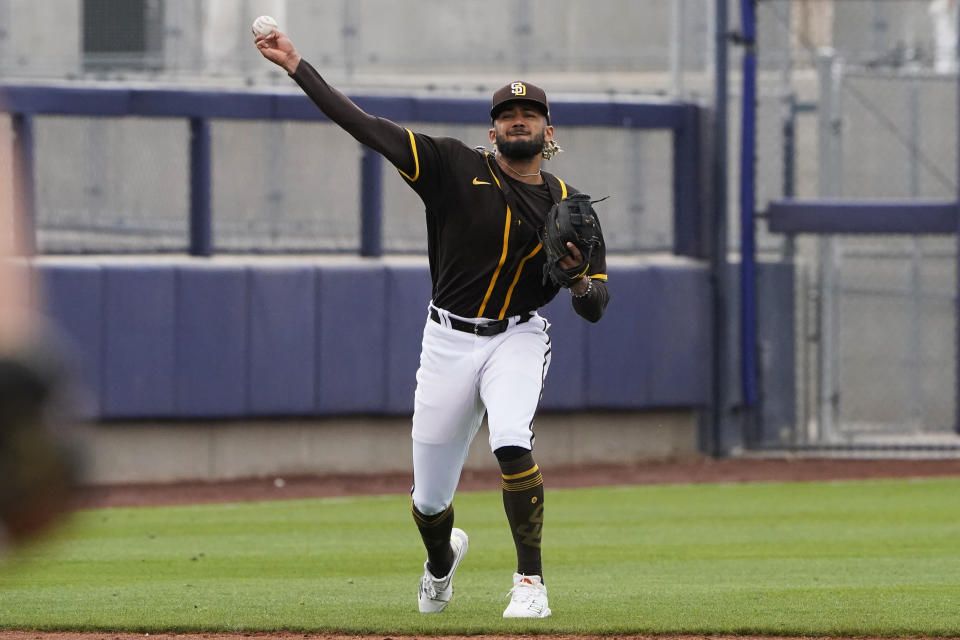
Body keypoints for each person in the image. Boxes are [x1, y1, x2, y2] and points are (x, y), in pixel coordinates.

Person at [255, 26, 609, 619]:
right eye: (507, 112)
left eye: (530, 113)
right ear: (490, 129)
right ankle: (441, 564)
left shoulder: (571, 209)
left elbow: (594, 307)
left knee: (511, 440)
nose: (518, 119)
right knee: (428, 500)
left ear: (550, 134)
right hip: (447, 339)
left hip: (517, 335)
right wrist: (298, 66)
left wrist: (576, 277)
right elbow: (365, 126)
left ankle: (530, 584)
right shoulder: (449, 165)